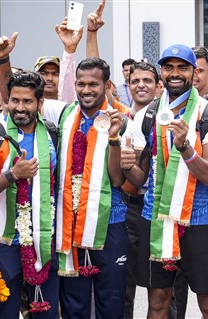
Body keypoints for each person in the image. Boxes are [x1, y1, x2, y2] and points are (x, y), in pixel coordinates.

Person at [126, 44, 208, 319]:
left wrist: (185, 147)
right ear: (161, 72)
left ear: (194, 73)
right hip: (156, 218)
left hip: (199, 221)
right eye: (168, 67)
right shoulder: (146, 115)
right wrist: (125, 165)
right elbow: (140, 179)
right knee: (158, 303)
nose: (175, 74)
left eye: (182, 68)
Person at [0, 70, 60, 318]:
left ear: (40, 103)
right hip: (4, 244)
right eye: (14, 100)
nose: (19, 107)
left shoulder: (52, 134)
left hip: (44, 242)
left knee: (46, 313)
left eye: (27, 101)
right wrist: (12, 176)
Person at [52, 57, 133, 318]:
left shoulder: (122, 120)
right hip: (70, 221)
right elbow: (13, 100)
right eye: (81, 83)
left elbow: (118, 179)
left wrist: (114, 139)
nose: (86, 90)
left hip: (110, 221)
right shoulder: (64, 117)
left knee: (111, 301)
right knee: (75, 303)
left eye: (93, 84)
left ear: (107, 84)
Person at [121, 61, 160, 319]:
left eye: (147, 80)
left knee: (162, 286)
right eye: (135, 81)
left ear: (159, 87)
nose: (141, 85)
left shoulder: (168, 116)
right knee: (124, 281)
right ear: (128, 86)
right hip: (129, 207)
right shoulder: (119, 117)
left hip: (160, 209)